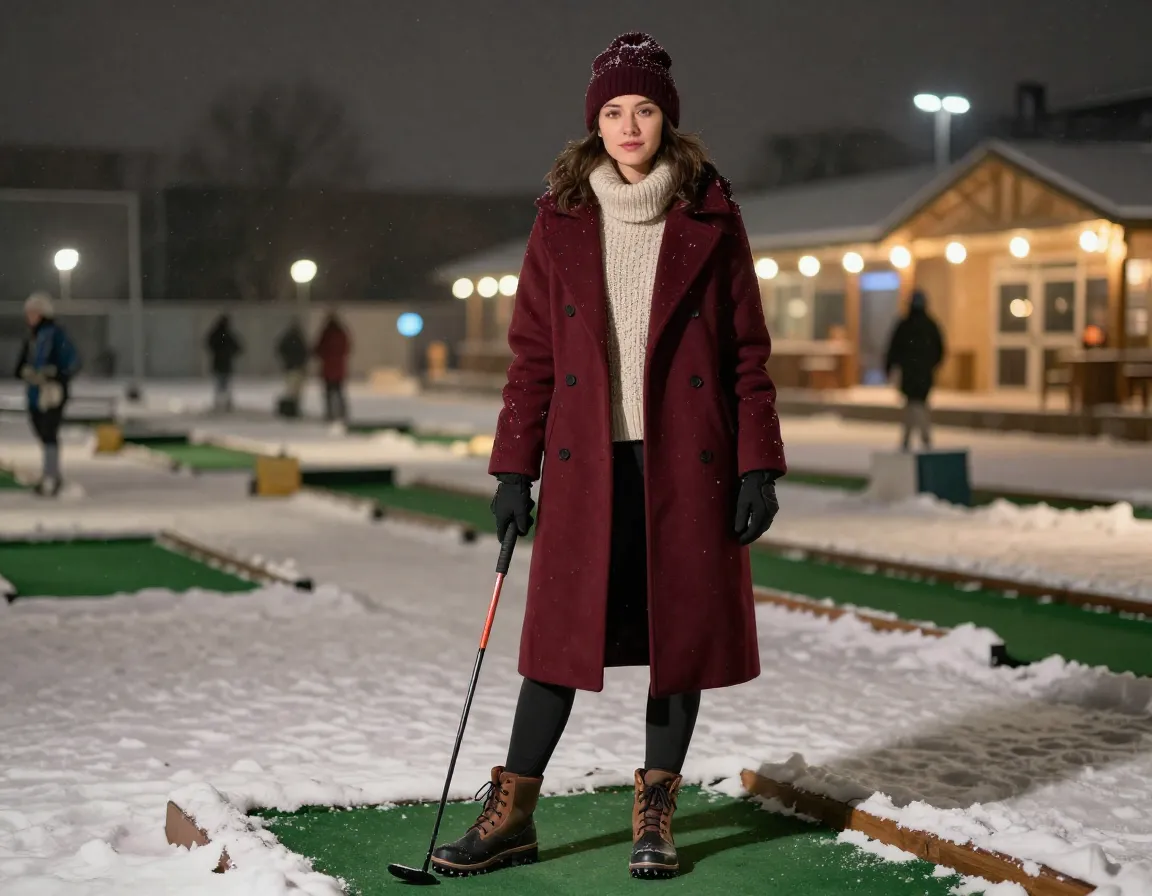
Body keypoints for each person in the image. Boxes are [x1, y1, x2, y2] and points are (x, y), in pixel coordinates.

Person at [429, 32, 786, 881]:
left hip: (685, 464)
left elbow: (747, 354)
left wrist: (757, 465)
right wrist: (514, 469)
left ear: (669, 120)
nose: (630, 125)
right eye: (615, 111)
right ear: (596, 123)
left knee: (680, 638)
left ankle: (655, 814)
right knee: (556, 640)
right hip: (587, 465)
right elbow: (533, 360)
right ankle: (512, 811)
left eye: (646, 109)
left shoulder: (712, 217)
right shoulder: (558, 221)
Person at [13, 293, 81, 496]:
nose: (29, 316)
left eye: (33, 312)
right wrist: (27, 372)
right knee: (41, 431)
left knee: (49, 432)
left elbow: (72, 362)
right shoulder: (31, 338)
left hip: (53, 393)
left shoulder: (55, 335)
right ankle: (50, 474)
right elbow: (20, 366)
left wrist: (55, 374)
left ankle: (51, 476)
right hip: (35, 394)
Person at [885, 289, 945, 451]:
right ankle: (916, 438)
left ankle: (916, 438)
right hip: (923, 373)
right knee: (916, 404)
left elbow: (893, 349)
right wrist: (932, 365)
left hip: (911, 373)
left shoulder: (905, 325)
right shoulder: (930, 325)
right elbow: (940, 350)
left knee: (914, 404)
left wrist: (889, 368)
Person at [313, 311, 351, 422]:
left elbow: (319, 349)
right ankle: (342, 413)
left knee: (329, 394)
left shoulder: (326, 333)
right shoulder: (341, 333)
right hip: (339, 369)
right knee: (339, 392)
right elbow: (347, 348)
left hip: (328, 369)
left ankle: (330, 414)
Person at [204, 314, 243, 412]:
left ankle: (220, 403)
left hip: (219, 363)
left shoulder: (217, 334)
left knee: (220, 385)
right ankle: (225, 404)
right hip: (225, 363)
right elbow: (238, 347)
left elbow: (209, 344)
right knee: (224, 385)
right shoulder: (226, 334)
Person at [276, 318, 309, 417]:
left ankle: (290, 409)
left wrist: (287, 360)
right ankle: (292, 409)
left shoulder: (288, 339)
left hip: (291, 367)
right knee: (295, 391)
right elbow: (305, 352)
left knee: (291, 390)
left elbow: (280, 349)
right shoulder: (299, 339)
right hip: (297, 367)